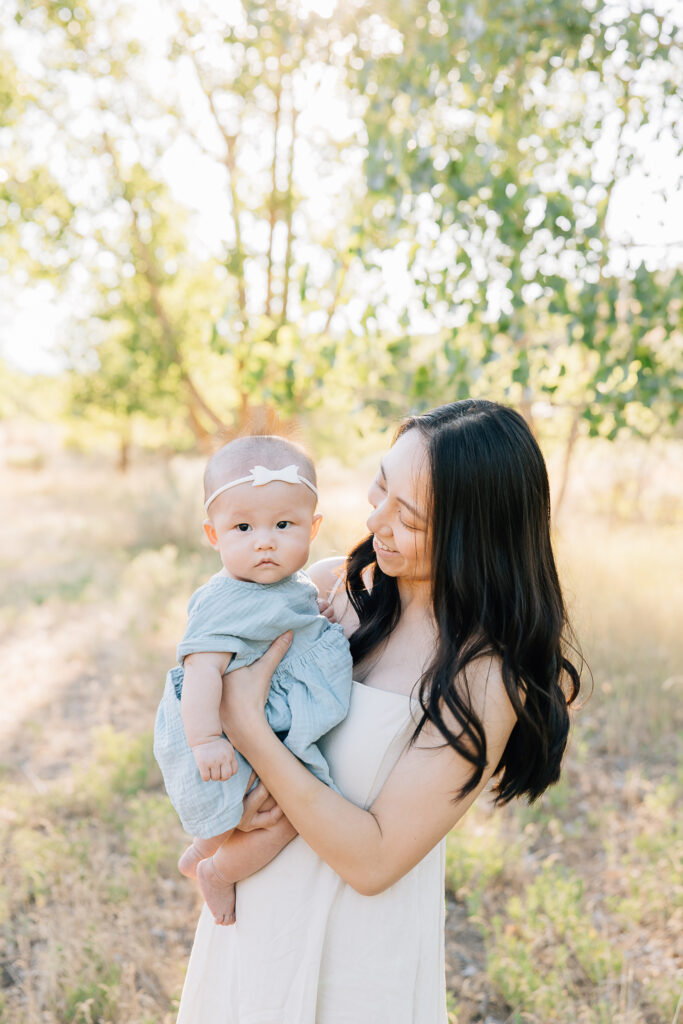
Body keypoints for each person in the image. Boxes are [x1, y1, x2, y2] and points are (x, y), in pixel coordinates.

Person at [176, 399, 582, 1024]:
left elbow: (373, 861)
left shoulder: (481, 675)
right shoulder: (329, 587)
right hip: (253, 918)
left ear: (472, 535)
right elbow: (206, 667)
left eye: (410, 518)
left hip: (355, 953)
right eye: (381, 486)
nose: (376, 518)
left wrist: (250, 731)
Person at [153, 435, 353, 925]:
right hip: (227, 734)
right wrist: (206, 740)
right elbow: (200, 673)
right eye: (243, 527)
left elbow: (292, 624)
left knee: (263, 805)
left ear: (314, 526)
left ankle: (202, 846)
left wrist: (316, 619)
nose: (265, 540)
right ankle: (218, 870)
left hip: (266, 722)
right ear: (213, 534)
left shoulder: (290, 585)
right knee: (289, 816)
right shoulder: (227, 600)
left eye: (284, 525)